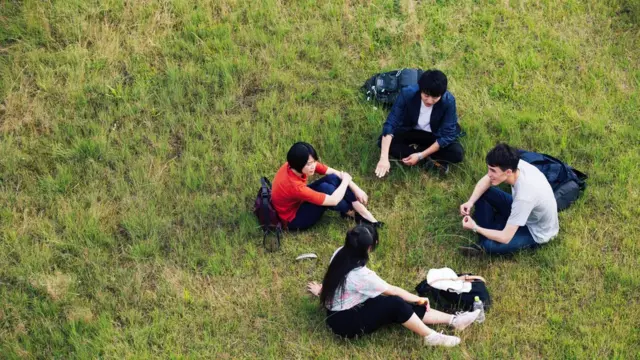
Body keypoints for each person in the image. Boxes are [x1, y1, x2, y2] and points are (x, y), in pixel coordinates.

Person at [307, 224, 480, 347]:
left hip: (341, 311)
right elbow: (392, 290)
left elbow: (336, 278)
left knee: (397, 303)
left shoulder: (341, 253)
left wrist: (322, 290)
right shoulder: (362, 275)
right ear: (368, 248)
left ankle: (454, 320)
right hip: (344, 324)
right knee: (395, 303)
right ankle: (431, 337)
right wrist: (419, 298)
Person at [459, 143, 559, 255]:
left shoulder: (524, 196)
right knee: (483, 192)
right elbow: (487, 179)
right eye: (489, 169)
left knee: (489, 245)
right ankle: (491, 230)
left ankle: (486, 237)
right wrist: (470, 202)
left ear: (508, 172)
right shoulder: (516, 165)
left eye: (493, 170)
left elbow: (505, 238)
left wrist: (475, 227)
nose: (489, 174)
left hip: (535, 230)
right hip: (524, 211)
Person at [271, 142, 382, 231]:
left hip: (297, 200)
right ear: (298, 164)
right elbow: (333, 200)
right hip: (293, 219)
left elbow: (332, 172)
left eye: (314, 161)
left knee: (332, 178)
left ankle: (362, 211)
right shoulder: (295, 186)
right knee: (327, 189)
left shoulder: (292, 165)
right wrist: (345, 181)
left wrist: (356, 188)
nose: (313, 166)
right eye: (309, 164)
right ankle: (352, 213)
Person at [375, 69, 464, 178]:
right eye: (426, 95)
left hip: (434, 135)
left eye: (435, 97)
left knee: (457, 153)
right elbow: (391, 123)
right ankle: (431, 158)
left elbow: (447, 136)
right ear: (420, 89)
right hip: (410, 130)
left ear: (442, 94)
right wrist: (383, 158)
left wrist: (420, 155)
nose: (430, 101)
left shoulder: (448, 101)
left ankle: (419, 155)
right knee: (382, 142)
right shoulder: (407, 94)